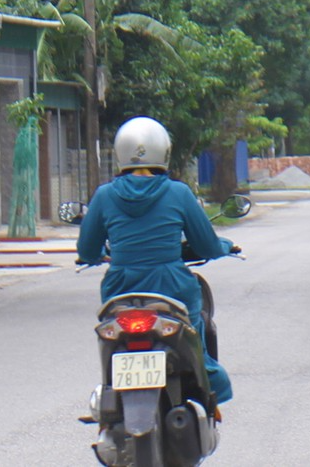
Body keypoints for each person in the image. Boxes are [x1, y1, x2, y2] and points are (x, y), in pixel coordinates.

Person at [76, 117, 236, 409]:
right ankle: (208, 396)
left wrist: (99, 254)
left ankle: (111, 395)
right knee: (197, 343)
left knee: (113, 343)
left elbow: (86, 250)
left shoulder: (104, 195)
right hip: (172, 287)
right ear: (164, 151)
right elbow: (206, 245)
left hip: (120, 290)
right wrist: (223, 247)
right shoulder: (178, 192)